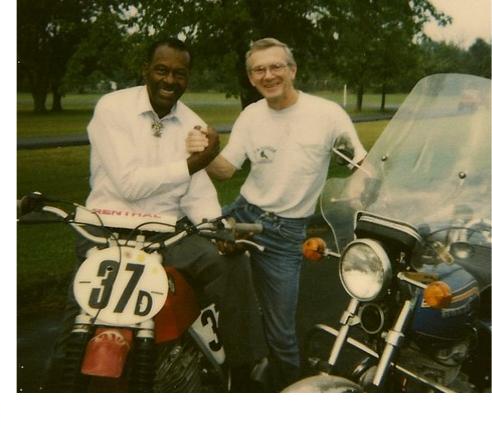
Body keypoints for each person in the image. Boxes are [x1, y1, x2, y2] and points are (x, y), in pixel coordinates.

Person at [47, 38, 267, 391]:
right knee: (79, 322)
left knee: (231, 263)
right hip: (104, 231)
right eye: (161, 70)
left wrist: (217, 228)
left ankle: (246, 370)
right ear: (146, 70)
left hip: (165, 234)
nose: (169, 80)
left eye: (179, 74)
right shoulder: (112, 108)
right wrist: (196, 161)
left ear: (188, 78)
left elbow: (196, 195)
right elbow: (130, 185)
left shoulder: (192, 123)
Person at [187, 37, 366, 390]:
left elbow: (360, 163)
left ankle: (289, 390)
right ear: (251, 78)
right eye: (259, 70)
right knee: (189, 284)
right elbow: (225, 170)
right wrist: (201, 153)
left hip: (286, 234)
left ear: (292, 70)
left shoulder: (327, 115)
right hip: (241, 215)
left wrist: (357, 188)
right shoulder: (252, 115)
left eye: (276, 67)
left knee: (281, 332)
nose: (268, 75)